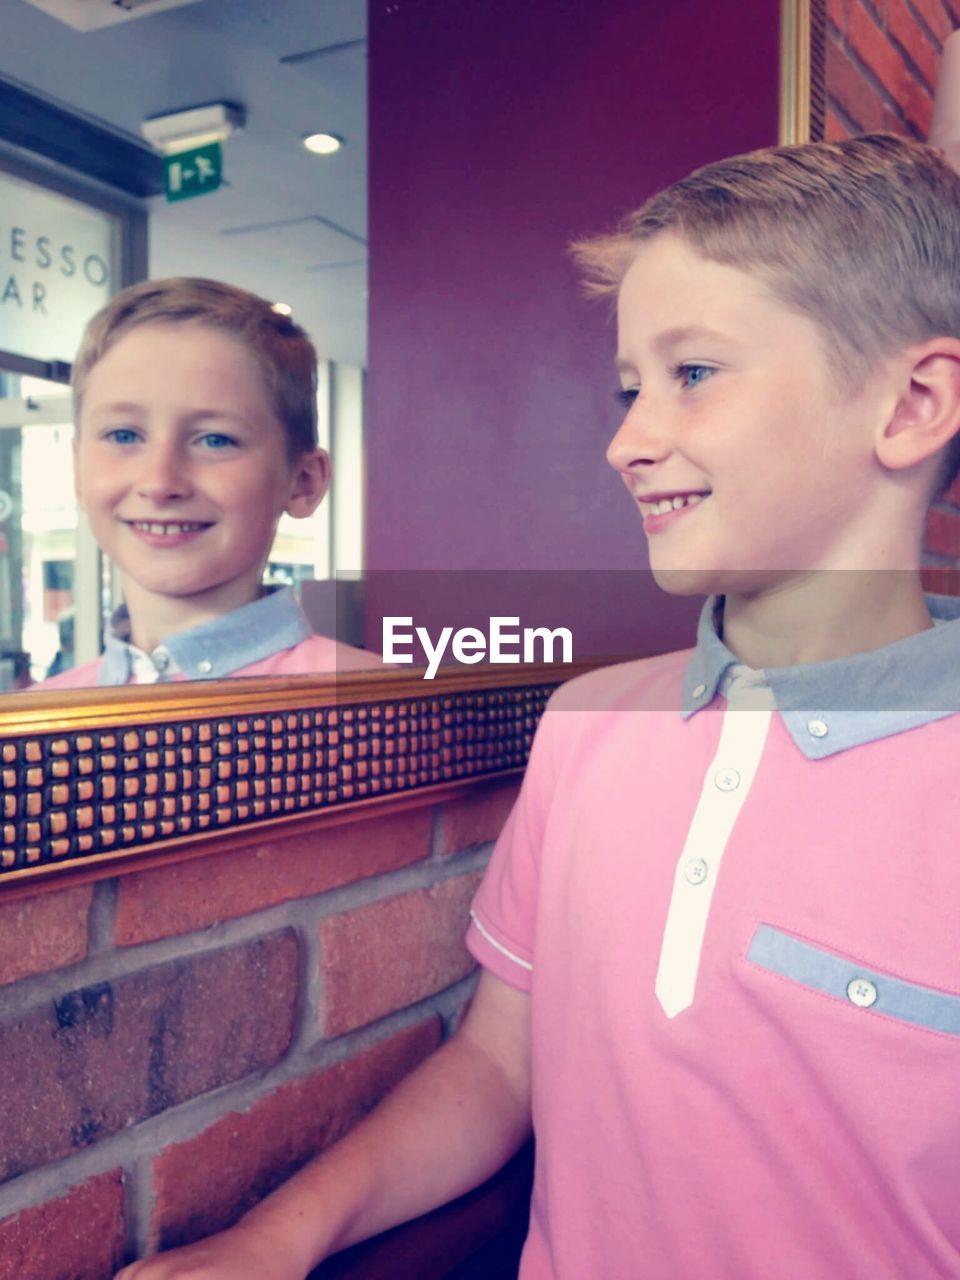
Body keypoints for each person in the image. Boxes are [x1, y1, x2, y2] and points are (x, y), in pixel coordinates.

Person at [115, 133, 960, 1279]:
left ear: (912, 403)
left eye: (694, 373)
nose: (626, 439)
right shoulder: (586, 728)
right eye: (628, 387)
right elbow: (500, 1064)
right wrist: (276, 1236)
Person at [39, 277, 381, 688]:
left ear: (303, 482)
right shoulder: (25, 725)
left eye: (215, 440)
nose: (159, 482)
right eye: (124, 435)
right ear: (77, 469)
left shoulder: (387, 712)